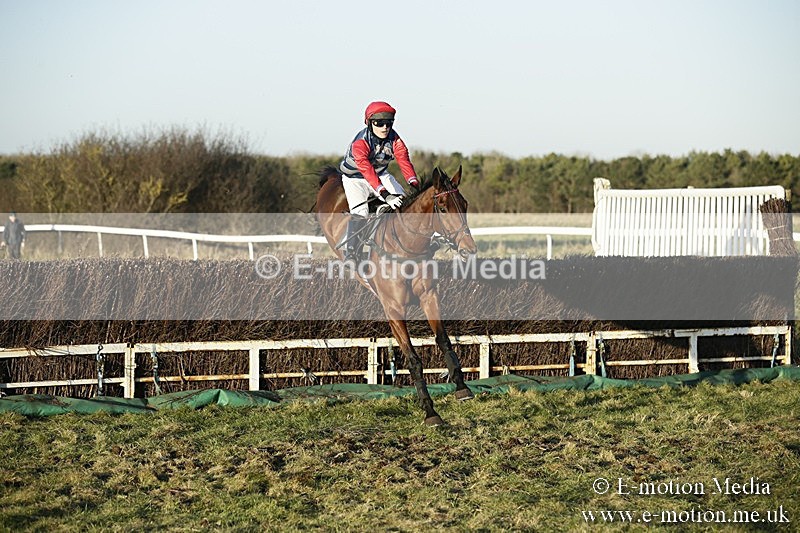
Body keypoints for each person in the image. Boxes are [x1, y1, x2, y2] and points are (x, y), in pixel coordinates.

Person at [338, 101, 420, 261]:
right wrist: (385, 194)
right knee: (360, 213)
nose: (385, 127)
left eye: (389, 123)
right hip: (355, 179)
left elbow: (403, 160)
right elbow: (366, 170)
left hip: (381, 174)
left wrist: (414, 183)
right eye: (379, 123)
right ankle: (352, 253)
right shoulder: (360, 143)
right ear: (369, 123)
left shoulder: (395, 139)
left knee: (405, 203)